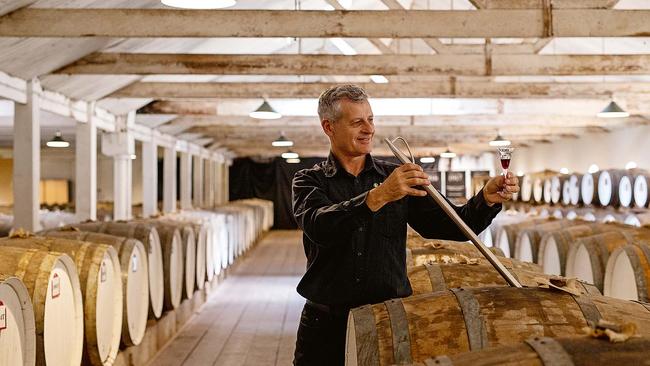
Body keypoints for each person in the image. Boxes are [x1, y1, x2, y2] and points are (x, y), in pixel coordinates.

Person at [291, 85, 519, 366]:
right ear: (329, 126)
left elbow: (452, 226)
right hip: (326, 322)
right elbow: (319, 226)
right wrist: (379, 195)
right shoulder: (309, 180)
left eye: (371, 119)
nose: (369, 129)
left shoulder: (397, 175)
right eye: (357, 122)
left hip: (389, 320)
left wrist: (485, 199)